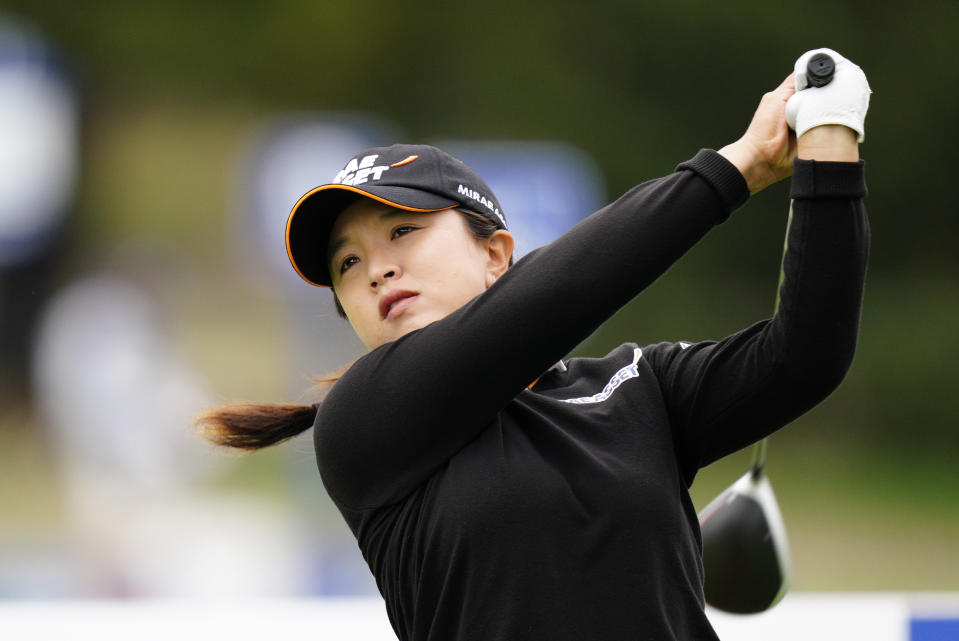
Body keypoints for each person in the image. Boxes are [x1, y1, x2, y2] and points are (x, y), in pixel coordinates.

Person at [200, 48, 871, 640]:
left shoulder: (638, 385)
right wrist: (737, 168)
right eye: (346, 263)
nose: (375, 268)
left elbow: (805, 355)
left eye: (400, 231)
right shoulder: (362, 422)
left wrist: (830, 143)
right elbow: (556, 296)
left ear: (495, 255)